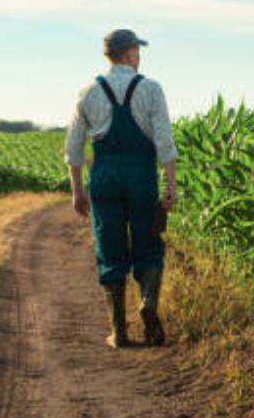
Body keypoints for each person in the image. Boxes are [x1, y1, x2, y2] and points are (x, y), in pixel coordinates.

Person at [65, 29, 179, 348]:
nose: (139, 56)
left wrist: (77, 191)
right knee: (148, 242)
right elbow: (164, 142)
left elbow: (74, 148)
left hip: (104, 177)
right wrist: (170, 185)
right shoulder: (151, 89)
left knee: (109, 247)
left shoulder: (88, 91)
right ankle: (148, 303)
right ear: (129, 53)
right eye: (137, 51)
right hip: (141, 175)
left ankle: (119, 331)